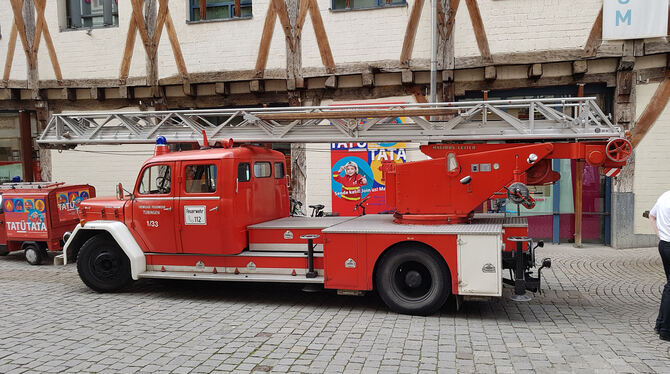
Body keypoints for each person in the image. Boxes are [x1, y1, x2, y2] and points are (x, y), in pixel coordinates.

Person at [649, 190, 670, 341]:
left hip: (664, 244)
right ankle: (665, 330)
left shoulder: (664, 196)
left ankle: (661, 324)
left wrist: (660, 235)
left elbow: (652, 215)